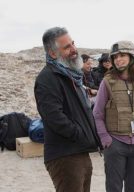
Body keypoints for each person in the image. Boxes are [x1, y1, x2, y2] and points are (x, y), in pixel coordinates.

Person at [34, 27, 102, 192]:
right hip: (65, 155)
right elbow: (54, 118)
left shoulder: (71, 75)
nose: (74, 49)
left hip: (79, 151)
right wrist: (80, 134)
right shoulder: (47, 78)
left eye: (73, 43)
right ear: (52, 53)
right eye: (67, 47)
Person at [93, 40, 134, 192]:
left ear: (132, 57)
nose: (118, 60)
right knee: (113, 188)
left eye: (122, 55)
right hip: (115, 144)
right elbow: (97, 113)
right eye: (115, 57)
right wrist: (106, 140)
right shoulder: (108, 82)